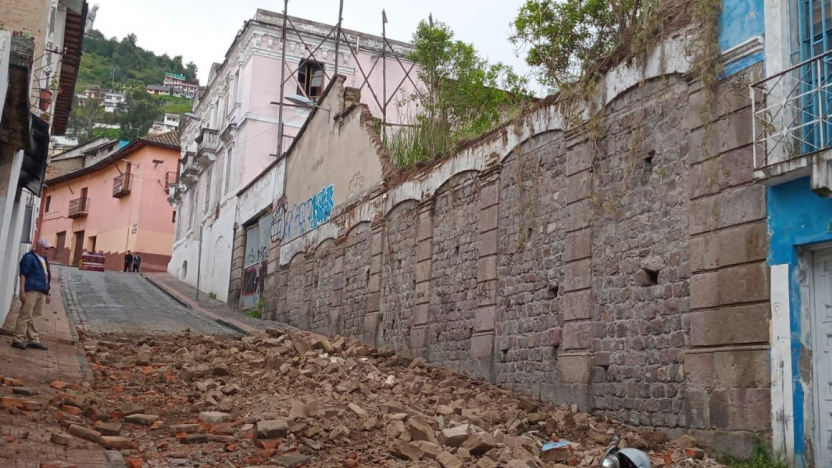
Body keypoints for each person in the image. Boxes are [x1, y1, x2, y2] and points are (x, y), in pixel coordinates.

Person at [12, 238, 54, 351]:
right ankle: (18, 339)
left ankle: (33, 340)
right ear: (38, 246)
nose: (47, 251)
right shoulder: (29, 257)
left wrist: (47, 292)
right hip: (31, 290)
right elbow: (23, 274)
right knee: (25, 314)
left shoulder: (45, 259)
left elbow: (46, 276)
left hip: (41, 290)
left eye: (48, 249)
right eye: (45, 248)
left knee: (35, 316)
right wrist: (22, 291)